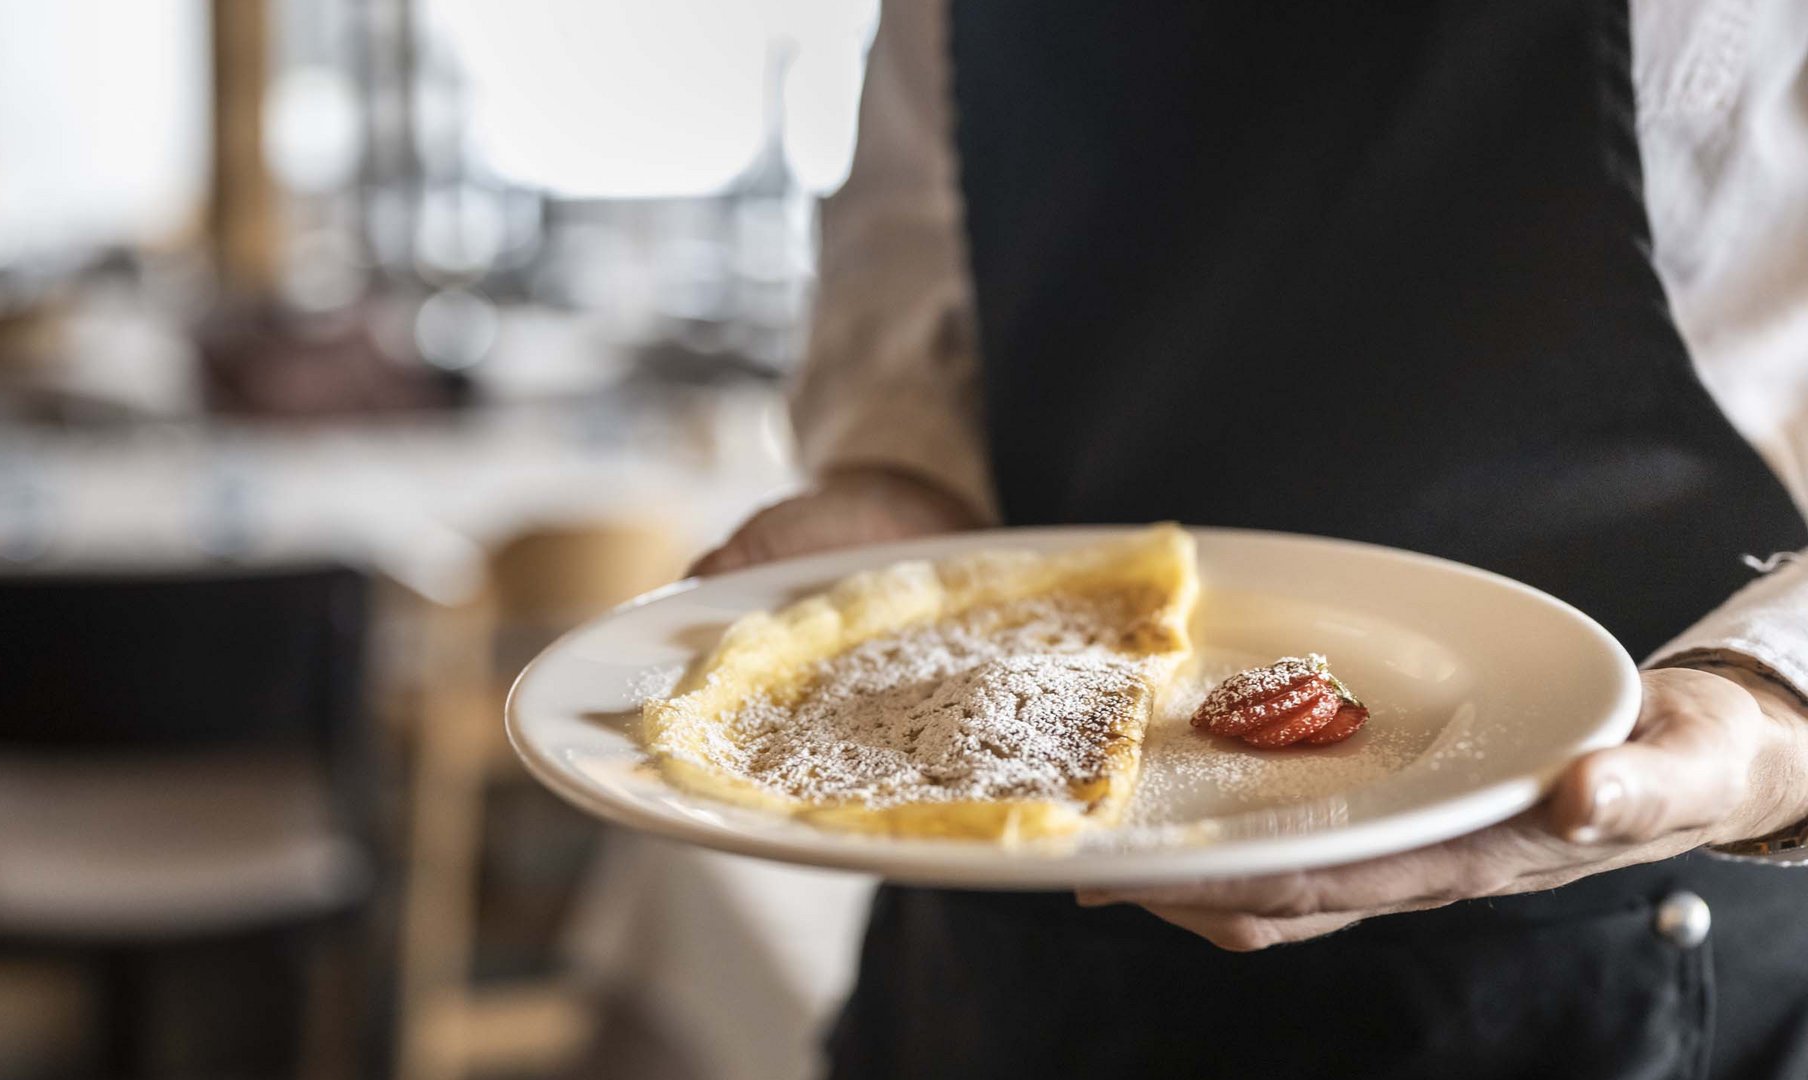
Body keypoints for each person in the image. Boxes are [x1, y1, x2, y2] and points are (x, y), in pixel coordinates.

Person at [695, 0, 1808, 1076]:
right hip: (1002, 929)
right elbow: (916, 232)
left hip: (1604, 951)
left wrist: (1775, 706)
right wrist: (901, 474)